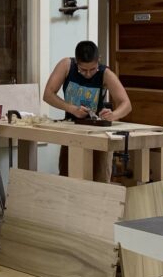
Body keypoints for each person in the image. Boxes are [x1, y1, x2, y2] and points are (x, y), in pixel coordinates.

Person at [43, 40, 132, 182]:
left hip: (98, 132)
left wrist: (113, 115)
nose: (88, 74)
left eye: (93, 69)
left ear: (99, 61)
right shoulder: (66, 65)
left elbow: (126, 104)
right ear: (76, 62)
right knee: (67, 177)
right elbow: (48, 94)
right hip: (72, 128)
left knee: (100, 180)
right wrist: (72, 108)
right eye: (83, 70)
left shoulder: (105, 73)